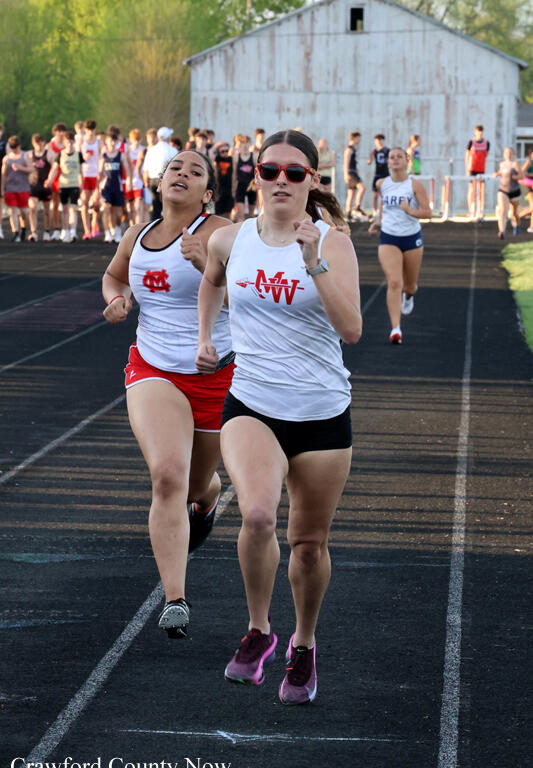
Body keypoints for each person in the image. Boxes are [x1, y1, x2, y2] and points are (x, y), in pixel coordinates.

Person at [195, 129, 362, 705]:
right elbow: (211, 283)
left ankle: (305, 643)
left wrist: (313, 262)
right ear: (255, 176)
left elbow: (352, 331)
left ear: (313, 180)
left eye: (296, 173)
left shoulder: (333, 244)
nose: (282, 181)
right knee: (259, 515)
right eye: (271, 171)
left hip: (320, 412)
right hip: (253, 403)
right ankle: (260, 630)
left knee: (309, 544)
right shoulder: (230, 239)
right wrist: (205, 338)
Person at [101, 150, 233, 639]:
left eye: (196, 171)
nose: (182, 173)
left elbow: (256, 294)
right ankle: (175, 598)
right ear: (160, 180)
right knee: (167, 476)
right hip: (153, 369)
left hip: (217, 376)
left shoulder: (223, 233)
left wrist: (210, 264)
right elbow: (114, 275)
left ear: (208, 192)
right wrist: (116, 299)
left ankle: (210, 493)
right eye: (175, 167)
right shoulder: (138, 235)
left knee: (197, 485)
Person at [368, 147, 431, 344]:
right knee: (395, 282)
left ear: (406, 161)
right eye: (391, 157)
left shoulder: (414, 185)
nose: (395, 160)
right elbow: (383, 207)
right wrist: (378, 222)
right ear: (387, 162)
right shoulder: (381, 184)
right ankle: (396, 329)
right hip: (389, 238)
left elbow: (428, 212)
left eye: (399, 157)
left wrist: (409, 210)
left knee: (410, 285)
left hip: (412, 238)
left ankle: (409, 296)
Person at [45, 130, 83, 243]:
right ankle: (65, 231)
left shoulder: (78, 155)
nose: (70, 145)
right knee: (65, 209)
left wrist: (82, 183)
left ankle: (73, 232)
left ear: (74, 142)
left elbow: (81, 172)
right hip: (63, 185)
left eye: (71, 142)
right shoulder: (60, 155)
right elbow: (55, 169)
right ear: (65, 143)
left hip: (74, 185)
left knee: (73, 209)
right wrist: (50, 179)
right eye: (68, 142)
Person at [98, 131, 131, 243]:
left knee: (117, 213)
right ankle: (108, 233)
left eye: (114, 141)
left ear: (117, 142)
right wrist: (97, 189)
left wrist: (129, 181)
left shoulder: (120, 155)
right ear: (106, 142)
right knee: (106, 209)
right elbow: (99, 173)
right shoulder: (104, 156)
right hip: (106, 187)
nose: (112, 143)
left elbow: (127, 169)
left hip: (117, 187)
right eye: (110, 141)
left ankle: (116, 231)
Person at [142, 126, 178, 220]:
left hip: (153, 180)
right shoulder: (173, 150)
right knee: (167, 206)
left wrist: (146, 183)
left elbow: (146, 169)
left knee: (155, 207)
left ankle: (154, 228)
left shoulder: (151, 150)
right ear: (168, 138)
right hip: (167, 180)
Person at [1, 135, 32, 242]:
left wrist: (20, 168)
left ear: (19, 146)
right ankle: (16, 232)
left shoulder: (25, 156)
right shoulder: (7, 159)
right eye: (12, 147)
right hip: (10, 188)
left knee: (23, 212)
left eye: (16, 147)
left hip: (23, 188)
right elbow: (4, 174)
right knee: (12, 211)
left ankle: (23, 229)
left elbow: (30, 169)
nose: (14, 149)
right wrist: (2, 187)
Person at [493, 147, 522, 239]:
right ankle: (502, 231)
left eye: (510, 153)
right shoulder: (502, 164)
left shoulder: (515, 164)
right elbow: (501, 172)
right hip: (503, 190)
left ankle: (517, 225)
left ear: (513, 155)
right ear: (504, 154)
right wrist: (497, 174)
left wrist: (515, 177)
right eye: (506, 153)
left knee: (514, 213)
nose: (508, 154)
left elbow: (522, 176)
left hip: (514, 191)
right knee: (503, 211)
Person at [28, 133, 52, 241]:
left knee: (46, 210)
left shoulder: (48, 154)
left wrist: (50, 178)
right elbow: (26, 167)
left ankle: (47, 231)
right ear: (33, 144)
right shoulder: (30, 155)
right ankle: (34, 232)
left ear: (43, 143)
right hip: (34, 186)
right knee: (33, 208)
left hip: (45, 185)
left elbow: (56, 166)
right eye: (36, 144)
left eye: (40, 143)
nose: (38, 146)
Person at [80, 120, 102, 239]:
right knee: (84, 202)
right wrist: (83, 158)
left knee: (96, 203)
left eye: (92, 129)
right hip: (84, 174)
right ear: (85, 130)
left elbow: (102, 157)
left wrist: (101, 174)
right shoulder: (81, 141)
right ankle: (86, 230)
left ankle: (94, 221)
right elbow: (77, 157)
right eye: (88, 129)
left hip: (95, 174)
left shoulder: (98, 142)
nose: (90, 132)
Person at [465, 125, 490, 220]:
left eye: (481, 132)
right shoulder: (471, 142)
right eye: (478, 131)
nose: (480, 133)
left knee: (481, 190)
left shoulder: (486, 143)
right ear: (475, 132)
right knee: (471, 190)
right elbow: (467, 155)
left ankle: (480, 210)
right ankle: (471, 210)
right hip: (472, 169)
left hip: (481, 169)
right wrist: (467, 168)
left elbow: (486, 155)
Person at [232, 134, 256, 222]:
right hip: (240, 186)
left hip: (251, 186)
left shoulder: (254, 156)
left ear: (250, 144)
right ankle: (240, 233)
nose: (245, 146)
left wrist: (257, 185)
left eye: (247, 143)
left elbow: (258, 173)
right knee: (240, 214)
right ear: (240, 145)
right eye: (243, 143)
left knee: (251, 214)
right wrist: (233, 189)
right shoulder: (236, 157)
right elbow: (234, 174)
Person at [343, 131, 366, 220]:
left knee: (351, 193)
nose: (360, 140)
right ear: (354, 138)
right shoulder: (349, 149)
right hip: (351, 172)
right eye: (358, 138)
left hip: (354, 172)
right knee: (362, 188)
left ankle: (348, 214)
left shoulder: (354, 149)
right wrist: (346, 174)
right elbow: (346, 162)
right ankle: (357, 206)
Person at [367, 133, 390, 218]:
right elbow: (369, 162)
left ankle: (385, 210)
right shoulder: (374, 151)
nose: (379, 142)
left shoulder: (387, 150)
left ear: (383, 141)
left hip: (385, 174)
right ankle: (375, 211)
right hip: (377, 174)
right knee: (375, 195)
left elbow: (389, 162)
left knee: (385, 194)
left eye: (380, 140)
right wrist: (370, 155)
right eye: (377, 141)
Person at [519, 147, 533, 234]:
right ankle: (532, 227)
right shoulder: (529, 162)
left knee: (532, 208)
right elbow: (522, 173)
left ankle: (516, 216)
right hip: (527, 184)